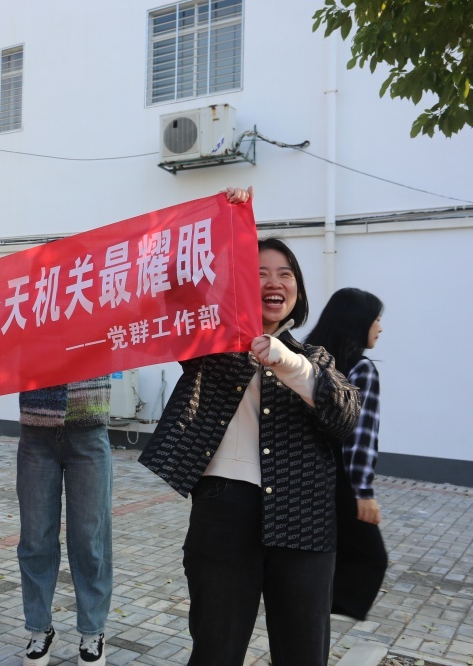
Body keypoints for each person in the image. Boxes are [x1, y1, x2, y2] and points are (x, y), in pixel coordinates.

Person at [138, 221, 361, 665]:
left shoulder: (314, 358)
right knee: (216, 648)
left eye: (285, 274)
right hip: (224, 507)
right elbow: (174, 289)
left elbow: (345, 417)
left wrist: (289, 363)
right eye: (258, 273)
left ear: (298, 290)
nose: (274, 282)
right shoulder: (209, 344)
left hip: (304, 516)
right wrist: (225, 226)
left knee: (303, 653)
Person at [17, 377, 113, 666]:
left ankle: (93, 631)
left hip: (89, 428)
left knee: (90, 539)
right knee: (35, 538)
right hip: (36, 428)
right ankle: (39, 629)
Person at [305, 287, 388, 620]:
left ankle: (309, 611)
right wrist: (363, 493)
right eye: (376, 319)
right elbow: (360, 437)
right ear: (358, 322)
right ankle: (318, 614)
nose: (380, 328)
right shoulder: (361, 369)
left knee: (321, 553)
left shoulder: (308, 360)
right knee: (371, 557)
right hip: (340, 478)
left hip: (303, 473)